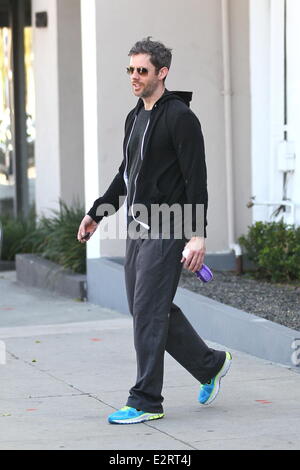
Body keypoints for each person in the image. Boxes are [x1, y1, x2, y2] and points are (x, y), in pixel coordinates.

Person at [77, 37, 232, 425]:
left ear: (162, 73)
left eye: (142, 70)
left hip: (171, 225)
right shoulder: (136, 116)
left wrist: (197, 233)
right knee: (148, 308)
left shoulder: (180, 117)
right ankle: (210, 363)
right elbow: (127, 174)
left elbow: (197, 178)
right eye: (130, 69)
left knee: (148, 309)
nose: (134, 76)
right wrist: (99, 212)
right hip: (139, 226)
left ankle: (146, 400)